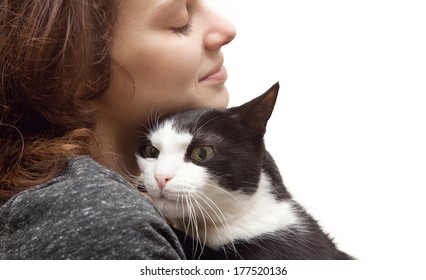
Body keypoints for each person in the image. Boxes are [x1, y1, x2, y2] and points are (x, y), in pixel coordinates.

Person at [0, 0, 236, 259]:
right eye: (180, 22)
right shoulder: (100, 225)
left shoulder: (46, 202)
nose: (226, 29)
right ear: (74, 65)